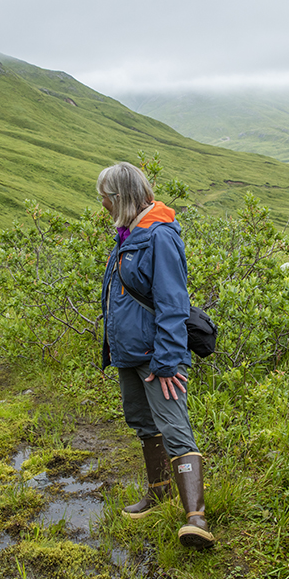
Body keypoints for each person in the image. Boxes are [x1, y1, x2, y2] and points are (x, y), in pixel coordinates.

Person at [98, 162, 214, 550]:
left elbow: (171, 302)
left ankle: (196, 517)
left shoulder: (160, 235)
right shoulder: (128, 234)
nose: (102, 204)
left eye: (106, 197)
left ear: (121, 198)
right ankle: (159, 494)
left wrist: (167, 360)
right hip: (129, 353)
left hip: (156, 356)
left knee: (173, 424)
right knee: (143, 423)